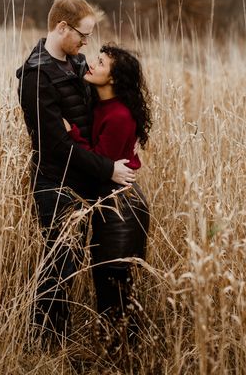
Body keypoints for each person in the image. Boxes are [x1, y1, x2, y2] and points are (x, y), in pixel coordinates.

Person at [16, 0, 136, 343]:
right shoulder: (36, 78)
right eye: (83, 33)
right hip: (55, 183)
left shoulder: (78, 62)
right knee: (59, 264)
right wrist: (109, 169)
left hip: (87, 179)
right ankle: (46, 344)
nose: (87, 41)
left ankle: (100, 335)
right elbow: (57, 146)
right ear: (61, 27)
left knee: (89, 260)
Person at [65, 44, 151, 345]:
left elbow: (101, 162)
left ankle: (125, 358)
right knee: (107, 287)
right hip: (110, 204)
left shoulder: (119, 116)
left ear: (112, 79)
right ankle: (116, 355)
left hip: (122, 211)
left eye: (100, 63)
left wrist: (71, 135)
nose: (92, 64)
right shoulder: (100, 104)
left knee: (115, 290)